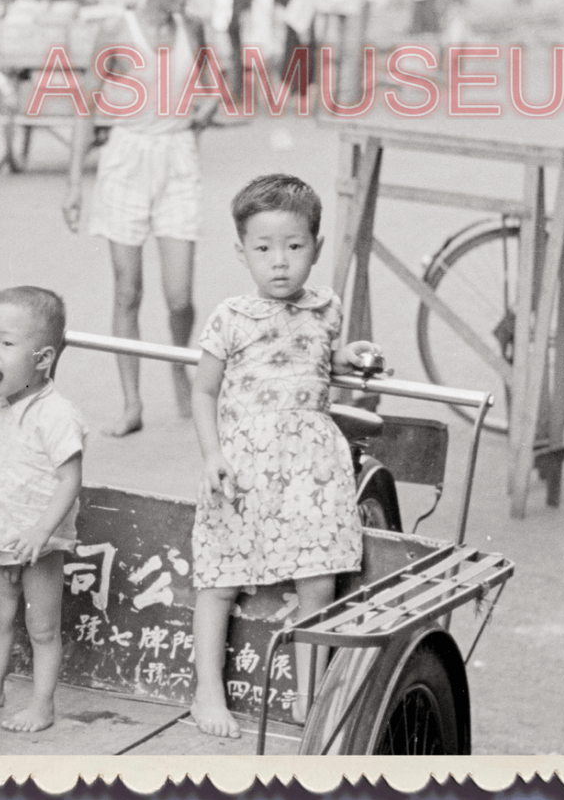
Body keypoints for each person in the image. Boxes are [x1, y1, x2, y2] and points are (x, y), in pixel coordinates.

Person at [188, 174, 378, 737]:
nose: (280, 262)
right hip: (243, 463)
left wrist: (353, 356)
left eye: (294, 247)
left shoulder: (326, 308)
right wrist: (212, 454)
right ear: (242, 251)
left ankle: (305, 694)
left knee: (317, 576)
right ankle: (207, 693)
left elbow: (318, 362)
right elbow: (204, 391)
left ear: (315, 248)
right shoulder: (230, 318)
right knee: (219, 579)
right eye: (264, 249)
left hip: (312, 465)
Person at [63, 0, 217, 438]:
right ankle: (132, 402)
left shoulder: (193, 27)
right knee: (128, 290)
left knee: (180, 297)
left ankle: (177, 364)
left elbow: (212, 85)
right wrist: (73, 185)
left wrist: (207, 106)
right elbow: (87, 106)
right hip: (126, 160)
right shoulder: (117, 31)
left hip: (177, 159)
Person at [0, 287, 86, 733]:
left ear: (43, 359)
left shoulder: (56, 415)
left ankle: (43, 705)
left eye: (7, 343)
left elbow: (70, 479)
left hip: (37, 546)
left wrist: (42, 532)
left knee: (42, 628)